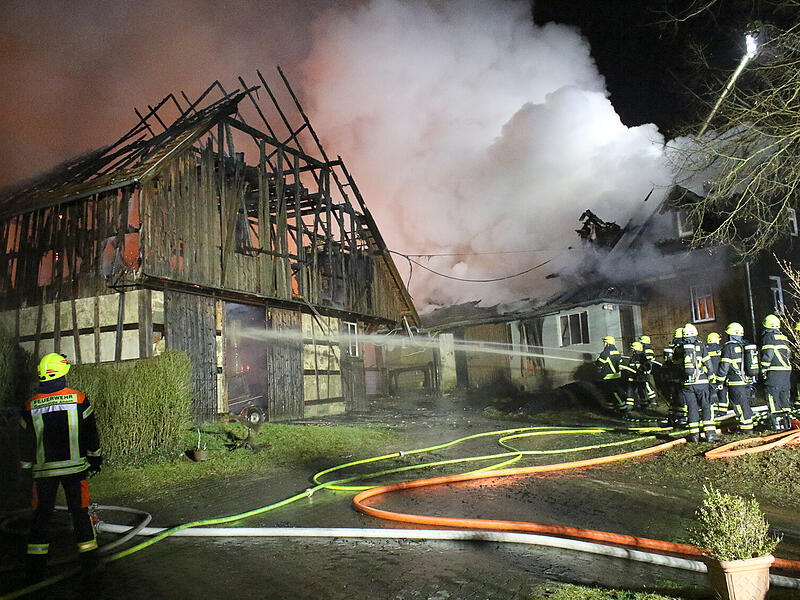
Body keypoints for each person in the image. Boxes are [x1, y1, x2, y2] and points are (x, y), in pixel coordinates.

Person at [19, 353, 103, 582]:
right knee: (80, 514)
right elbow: (90, 433)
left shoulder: (30, 405)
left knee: (41, 517)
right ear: (63, 374)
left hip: (43, 472)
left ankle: (35, 568)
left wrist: (25, 469)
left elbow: (24, 442)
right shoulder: (78, 399)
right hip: (75, 470)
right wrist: (95, 458)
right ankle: (90, 562)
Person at [680, 323, 718, 442]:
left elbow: (676, 366)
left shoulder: (679, 349)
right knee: (706, 406)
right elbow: (709, 365)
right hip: (701, 382)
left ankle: (694, 436)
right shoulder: (701, 347)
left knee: (692, 408)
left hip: (687, 384)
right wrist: (712, 381)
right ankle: (710, 434)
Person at [715, 322, 755, 433]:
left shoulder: (729, 347)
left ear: (730, 334)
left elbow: (724, 366)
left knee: (739, 404)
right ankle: (749, 423)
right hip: (747, 381)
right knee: (746, 403)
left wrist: (719, 381)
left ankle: (746, 428)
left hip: (735, 382)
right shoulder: (745, 346)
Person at [760, 314, 792, 431]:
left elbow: (768, 354)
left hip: (774, 370)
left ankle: (777, 424)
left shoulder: (769, 336)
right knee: (784, 395)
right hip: (786, 370)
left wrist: (763, 368)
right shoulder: (783, 337)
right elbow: (788, 354)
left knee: (772, 395)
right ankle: (787, 423)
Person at [595, 336, 626, 413]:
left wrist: (596, 363)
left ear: (608, 343)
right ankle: (611, 409)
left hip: (608, 376)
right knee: (612, 393)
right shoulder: (617, 352)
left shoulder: (605, 353)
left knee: (612, 393)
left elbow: (599, 364)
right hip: (617, 376)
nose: (604, 344)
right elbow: (620, 363)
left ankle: (623, 409)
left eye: (604, 342)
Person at [706, 332, 729, 421]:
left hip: (709, 375)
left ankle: (714, 411)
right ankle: (723, 411)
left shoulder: (705, 349)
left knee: (711, 393)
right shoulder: (721, 349)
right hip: (720, 375)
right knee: (723, 391)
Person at [637, 335, 658, 406]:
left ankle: (653, 399)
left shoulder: (646, 349)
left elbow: (648, 361)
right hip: (645, 369)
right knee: (643, 385)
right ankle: (645, 401)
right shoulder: (647, 348)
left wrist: (645, 369)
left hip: (646, 370)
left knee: (647, 385)